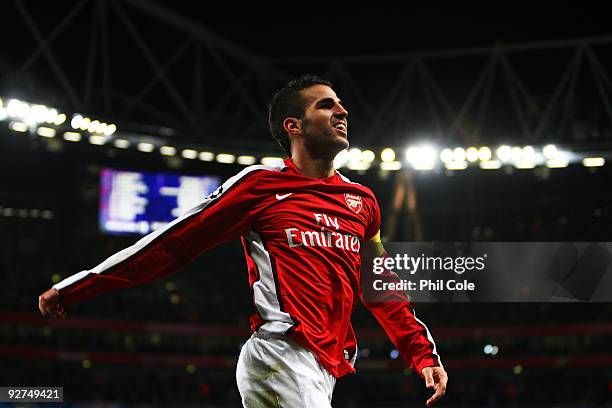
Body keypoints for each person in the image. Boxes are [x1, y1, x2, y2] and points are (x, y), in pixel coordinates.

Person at [39, 74, 448, 407]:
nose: (342, 111)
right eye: (326, 105)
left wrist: (422, 354)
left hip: (325, 366)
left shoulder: (364, 202)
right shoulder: (260, 187)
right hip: (279, 354)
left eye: (340, 104)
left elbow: (381, 287)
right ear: (294, 126)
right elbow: (172, 243)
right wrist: (80, 286)